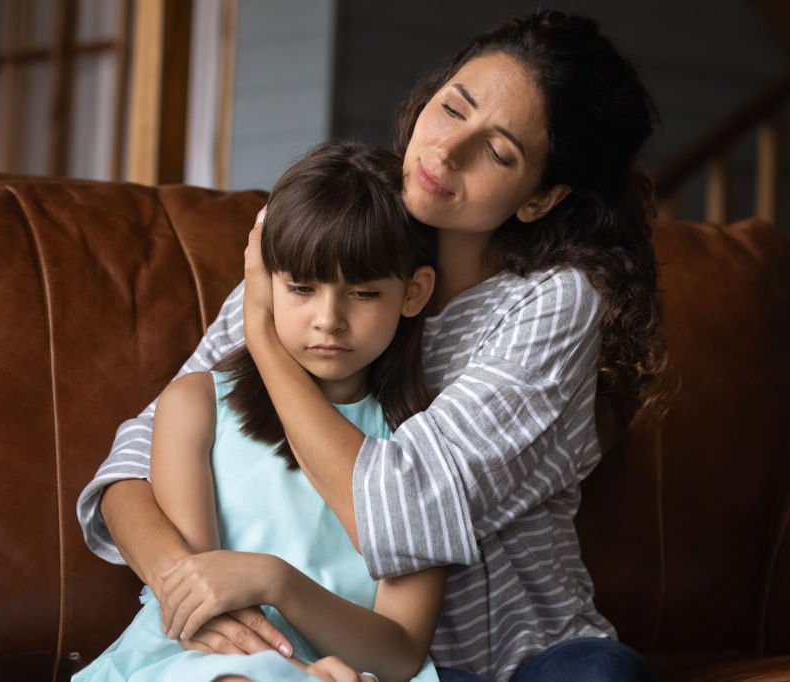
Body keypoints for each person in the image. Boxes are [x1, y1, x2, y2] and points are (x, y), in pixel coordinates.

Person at [77, 10, 666, 682]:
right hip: (325, 656)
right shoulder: (331, 250)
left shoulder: (551, 303)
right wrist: (190, 591)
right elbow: (137, 457)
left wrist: (267, 345)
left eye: (499, 152)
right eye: (451, 109)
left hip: (513, 659)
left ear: (541, 198)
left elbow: (404, 511)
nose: (445, 152)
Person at [75, 141, 441, 682]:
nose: (328, 319)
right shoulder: (196, 405)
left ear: (413, 293)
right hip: (195, 660)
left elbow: (401, 652)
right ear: (262, 284)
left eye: (362, 293)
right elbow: (195, 606)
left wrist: (280, 583)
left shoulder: (422, 444)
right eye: (300, 288)